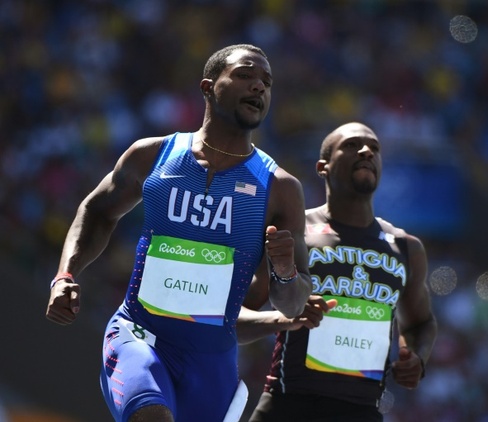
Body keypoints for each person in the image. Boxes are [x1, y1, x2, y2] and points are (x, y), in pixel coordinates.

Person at [45, 44, 312, 422]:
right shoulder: (153, 156)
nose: (258, 87)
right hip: (138, 337)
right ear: (208, 86)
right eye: (245, 75)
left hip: (212, 364)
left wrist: (284, 270)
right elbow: (97, 210)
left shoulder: (280, 188)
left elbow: (294, 302)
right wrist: (65, 275)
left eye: (267, 82)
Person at [238, 122, 438, 421]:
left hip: (362, 411)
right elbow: (232, 319)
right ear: (323, 167)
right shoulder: (294, 232)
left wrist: (417, 357)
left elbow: (421, 323)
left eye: (375, 148)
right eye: (352, 145)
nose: (367, 151)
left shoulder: (406, 247)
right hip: (288, 404)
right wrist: (282, 319)